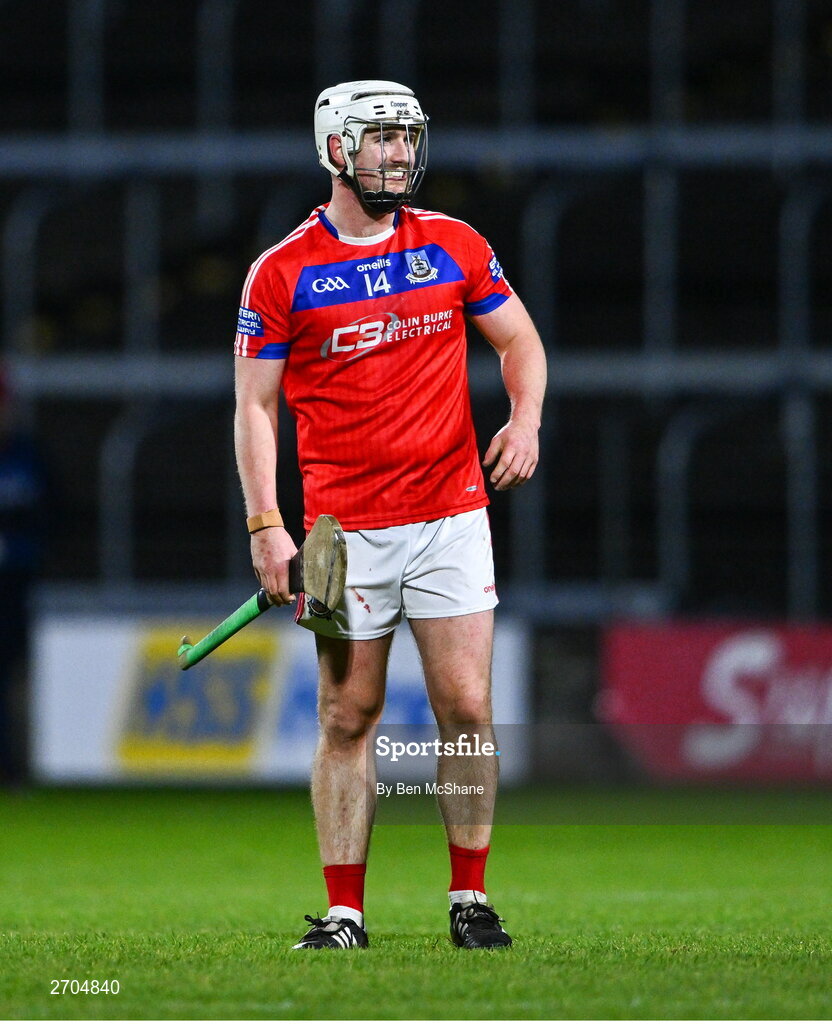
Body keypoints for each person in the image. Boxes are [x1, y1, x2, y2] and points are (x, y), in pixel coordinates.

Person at [233, 81, 547, 949]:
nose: (398, 155)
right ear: (336, 148)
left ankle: (470, 901)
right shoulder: (282, 270)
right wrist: (267, 524)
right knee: (348, 716)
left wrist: (524, 420)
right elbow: (253, 409)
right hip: (342, 531)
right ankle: (343, 914)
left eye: (407, 139)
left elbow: (520, 342)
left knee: (469, 709)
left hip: (451, 512)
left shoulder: (453, 243)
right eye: (379, 140)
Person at [0, 367, 52, 784]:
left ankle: (16, 769)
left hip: (14, 586)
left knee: (16, 676)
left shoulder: (27, 456)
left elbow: (53, 515)